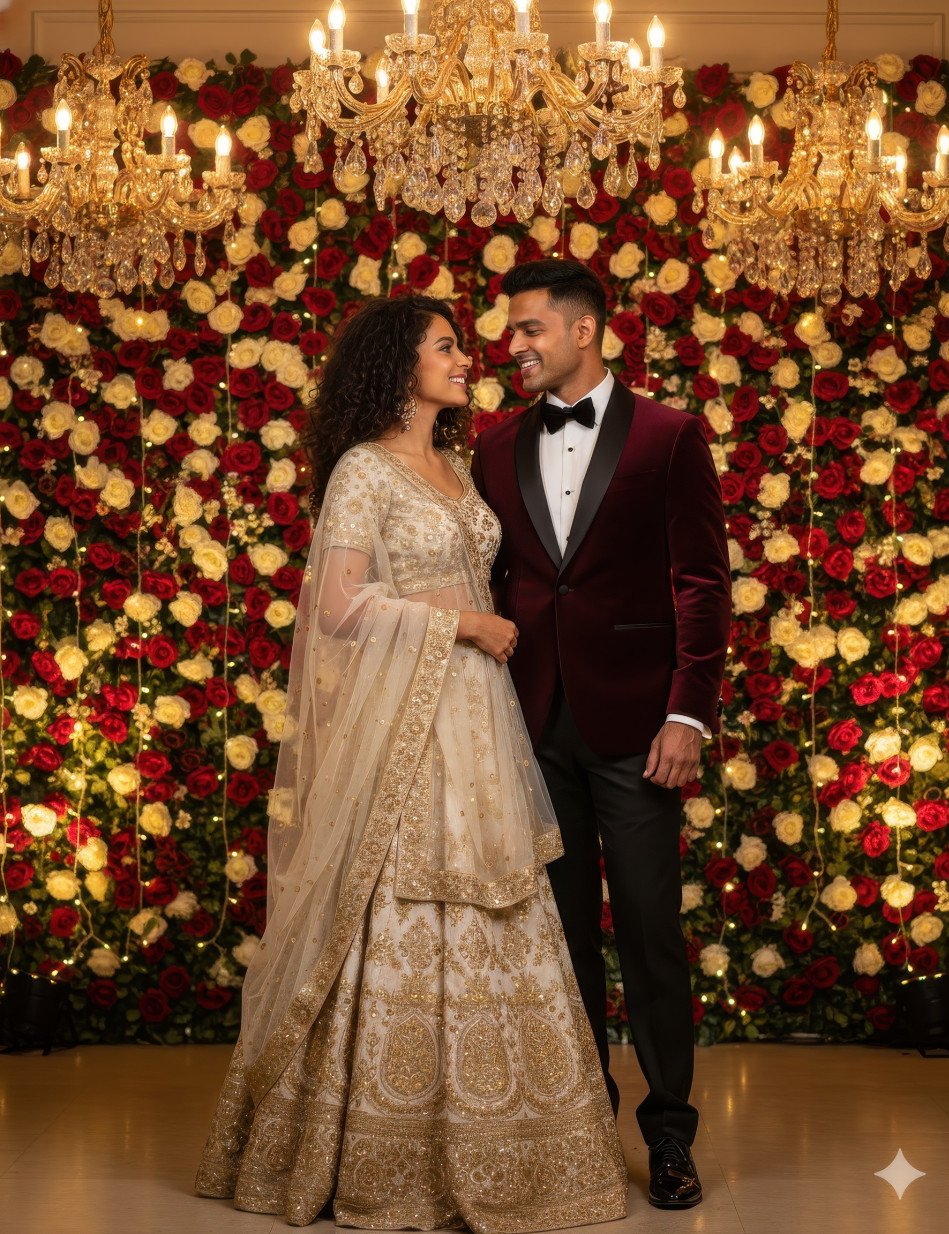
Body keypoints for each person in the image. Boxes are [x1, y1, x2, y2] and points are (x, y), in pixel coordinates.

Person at [195, 294, 628, 1231]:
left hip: (479, 718)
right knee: (402, 897)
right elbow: (340, 607)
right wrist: (460, 624)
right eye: (446, 347)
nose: (467, 358)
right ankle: (385, 1151)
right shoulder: (364, 470)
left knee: (498, 895)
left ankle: (507, 1140)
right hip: (408, 719)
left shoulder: (458, 466)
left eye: (462, 347)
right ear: (401, 367)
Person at [471, 259, 731, 1211]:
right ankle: (582, 1128)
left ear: (585, 331)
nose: (515, 345)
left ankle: (670, 1136)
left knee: (653, 935)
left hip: (641, 729)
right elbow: (497, 586)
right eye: (510, 330)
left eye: (530, 328)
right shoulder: (494, 449)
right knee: (562, 941)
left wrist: (686, 712)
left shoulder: (670, 435)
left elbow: (702, 582)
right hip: (531, 727)